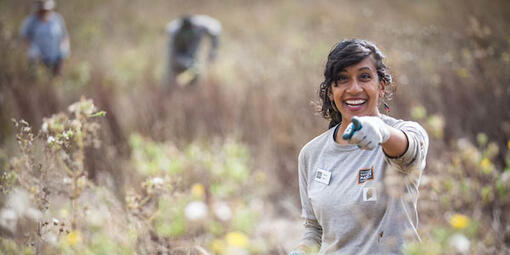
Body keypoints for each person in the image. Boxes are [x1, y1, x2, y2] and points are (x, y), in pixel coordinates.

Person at [290, 39, 429, 255]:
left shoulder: (403, 134)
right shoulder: (311, 153)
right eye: (342, 79)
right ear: (330, 91)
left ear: (381, 86)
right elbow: (314, 229)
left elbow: (409, 151)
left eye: (364, 77)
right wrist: (301, 251)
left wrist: (379, 130)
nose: (354, 89)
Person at [165, 15, 221, 87]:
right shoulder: (174, 31)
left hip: (193, 55)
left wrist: (213, 50)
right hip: (180, 55)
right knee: (175, 76)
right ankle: (177, 86)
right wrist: (186, 63)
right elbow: (172, 55)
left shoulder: (202, 25)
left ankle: (190, 88)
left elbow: (216, 31)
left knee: (195, 71)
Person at [20, 0, 70, 76]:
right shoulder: (31, 21)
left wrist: (63, 50)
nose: (44, 12)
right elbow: (24, 37)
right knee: (36, 78)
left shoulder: (57, 19)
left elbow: (65, 36)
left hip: (55, 58)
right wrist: (32, 48)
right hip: (37, 58)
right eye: (42, 10)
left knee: (56, 78)